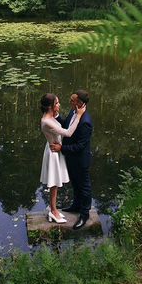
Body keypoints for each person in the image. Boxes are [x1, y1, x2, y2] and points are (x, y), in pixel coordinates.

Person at [39, 93, 85, 223]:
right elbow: (68, 132)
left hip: (54, 148)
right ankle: (53, 211)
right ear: (51, 106)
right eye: (57, 103)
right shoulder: (47, 121)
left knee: (55, 184)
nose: (59, 105)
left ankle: (53, 208)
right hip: (54, 152)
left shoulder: (50, 116)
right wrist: (80, 115)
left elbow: (59, 122)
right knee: (54, 184)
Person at [51, 90, 93, 230]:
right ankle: (76, 205)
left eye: (73, 100)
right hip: (71, 157)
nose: (70, 102)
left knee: (84, 186)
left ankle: (84, 214)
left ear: (80, 103)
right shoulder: (73, 112)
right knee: (75, 183)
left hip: (80, 160)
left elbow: (80, 146)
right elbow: (66, 126)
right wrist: (55, 116)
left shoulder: (86, 121)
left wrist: (61, 148)